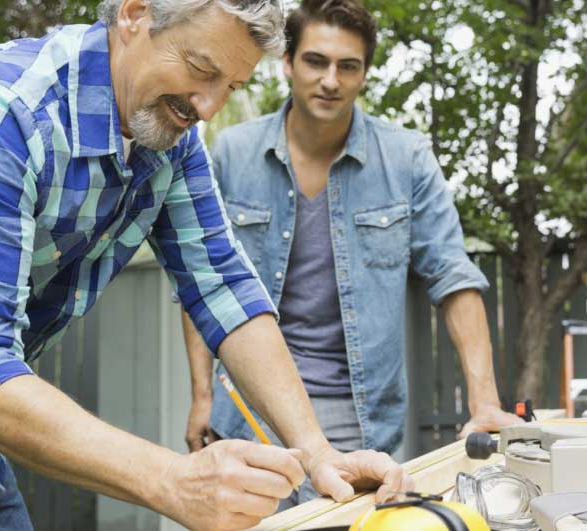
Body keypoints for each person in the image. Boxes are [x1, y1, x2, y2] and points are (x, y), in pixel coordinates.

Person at [0, 1, 410, 530]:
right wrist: (171, 480)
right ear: (135, 15)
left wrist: (317, 450)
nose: (209, 107)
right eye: (200, 68)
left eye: (233, 87)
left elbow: (225, 288)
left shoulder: (170, 137)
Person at [180, 0, 522, 504]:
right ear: (288, 63)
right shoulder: (232, 152)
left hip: (360, 413)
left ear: (364, 74)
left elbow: (453, 276)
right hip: (250, 409)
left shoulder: (405, 159)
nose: (330, 80)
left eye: (348, 66)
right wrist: (203, 396)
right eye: (316, 61)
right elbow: (200, 282)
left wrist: (485, 401)